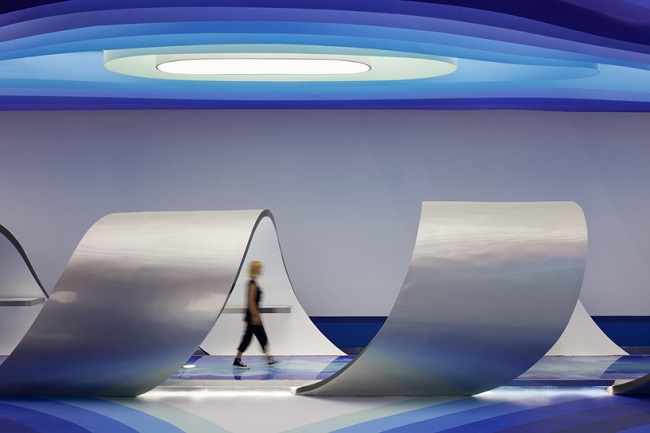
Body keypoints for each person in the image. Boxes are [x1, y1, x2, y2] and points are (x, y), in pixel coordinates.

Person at [233, 260, 279, 368]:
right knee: (251, 337)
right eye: (259, 268)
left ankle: (269, 357)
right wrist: (255, 315)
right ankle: (238, 359)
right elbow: (251, 301)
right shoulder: (252, 284)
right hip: (253, 316)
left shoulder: (253, 283)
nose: (261, 270)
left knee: (258, 336)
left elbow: (250, 301)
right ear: (254, 270)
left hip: (253, 314)